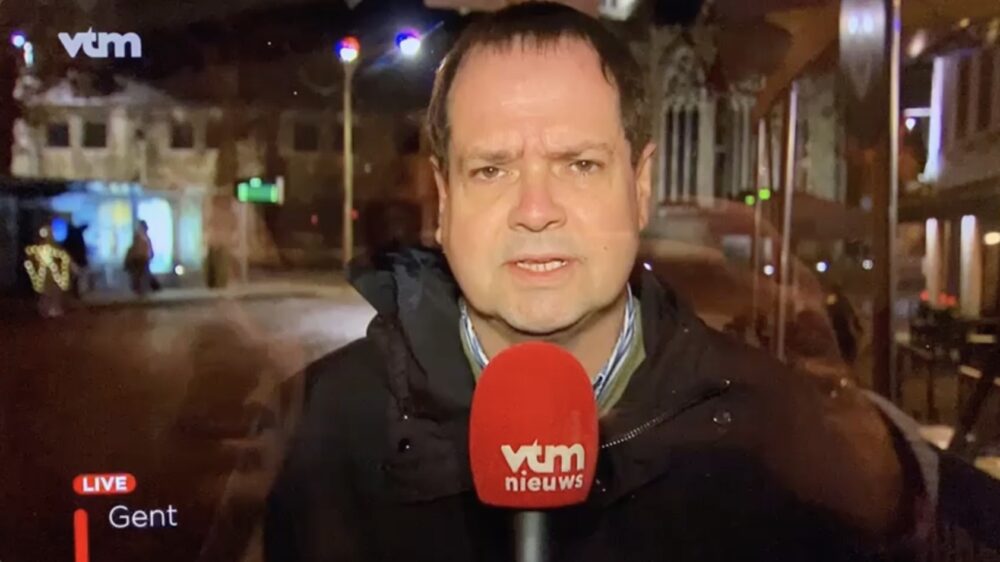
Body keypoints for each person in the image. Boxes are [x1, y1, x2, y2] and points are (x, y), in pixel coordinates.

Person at [265, 4, 933, 561]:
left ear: (640, 187)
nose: (535, 210)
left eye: (579, 164)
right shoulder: (321, 427)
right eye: (492, 170)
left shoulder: (777, 432)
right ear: (444, 198)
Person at [125, 220, 159, 295]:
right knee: (142, 274)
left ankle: (142, 288)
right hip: (141, 259)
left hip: (141, 259)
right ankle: (144, 288)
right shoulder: (143, 238)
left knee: (141, 275)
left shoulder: (142, 238)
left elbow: (146, 249)